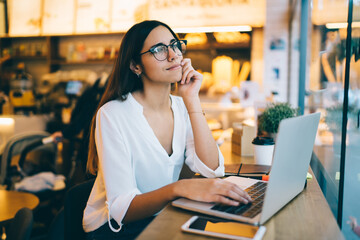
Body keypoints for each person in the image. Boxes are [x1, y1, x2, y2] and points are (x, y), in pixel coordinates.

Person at [83, 20, 252, 240]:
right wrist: (179, 188)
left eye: (174, 45)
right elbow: (121, 209)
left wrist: (192, 100)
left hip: (161, 215)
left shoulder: (182, 106)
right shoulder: (113, 114)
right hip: (115, 228)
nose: (173, 55)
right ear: (136, 66)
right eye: (159, 50)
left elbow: (212, 169)